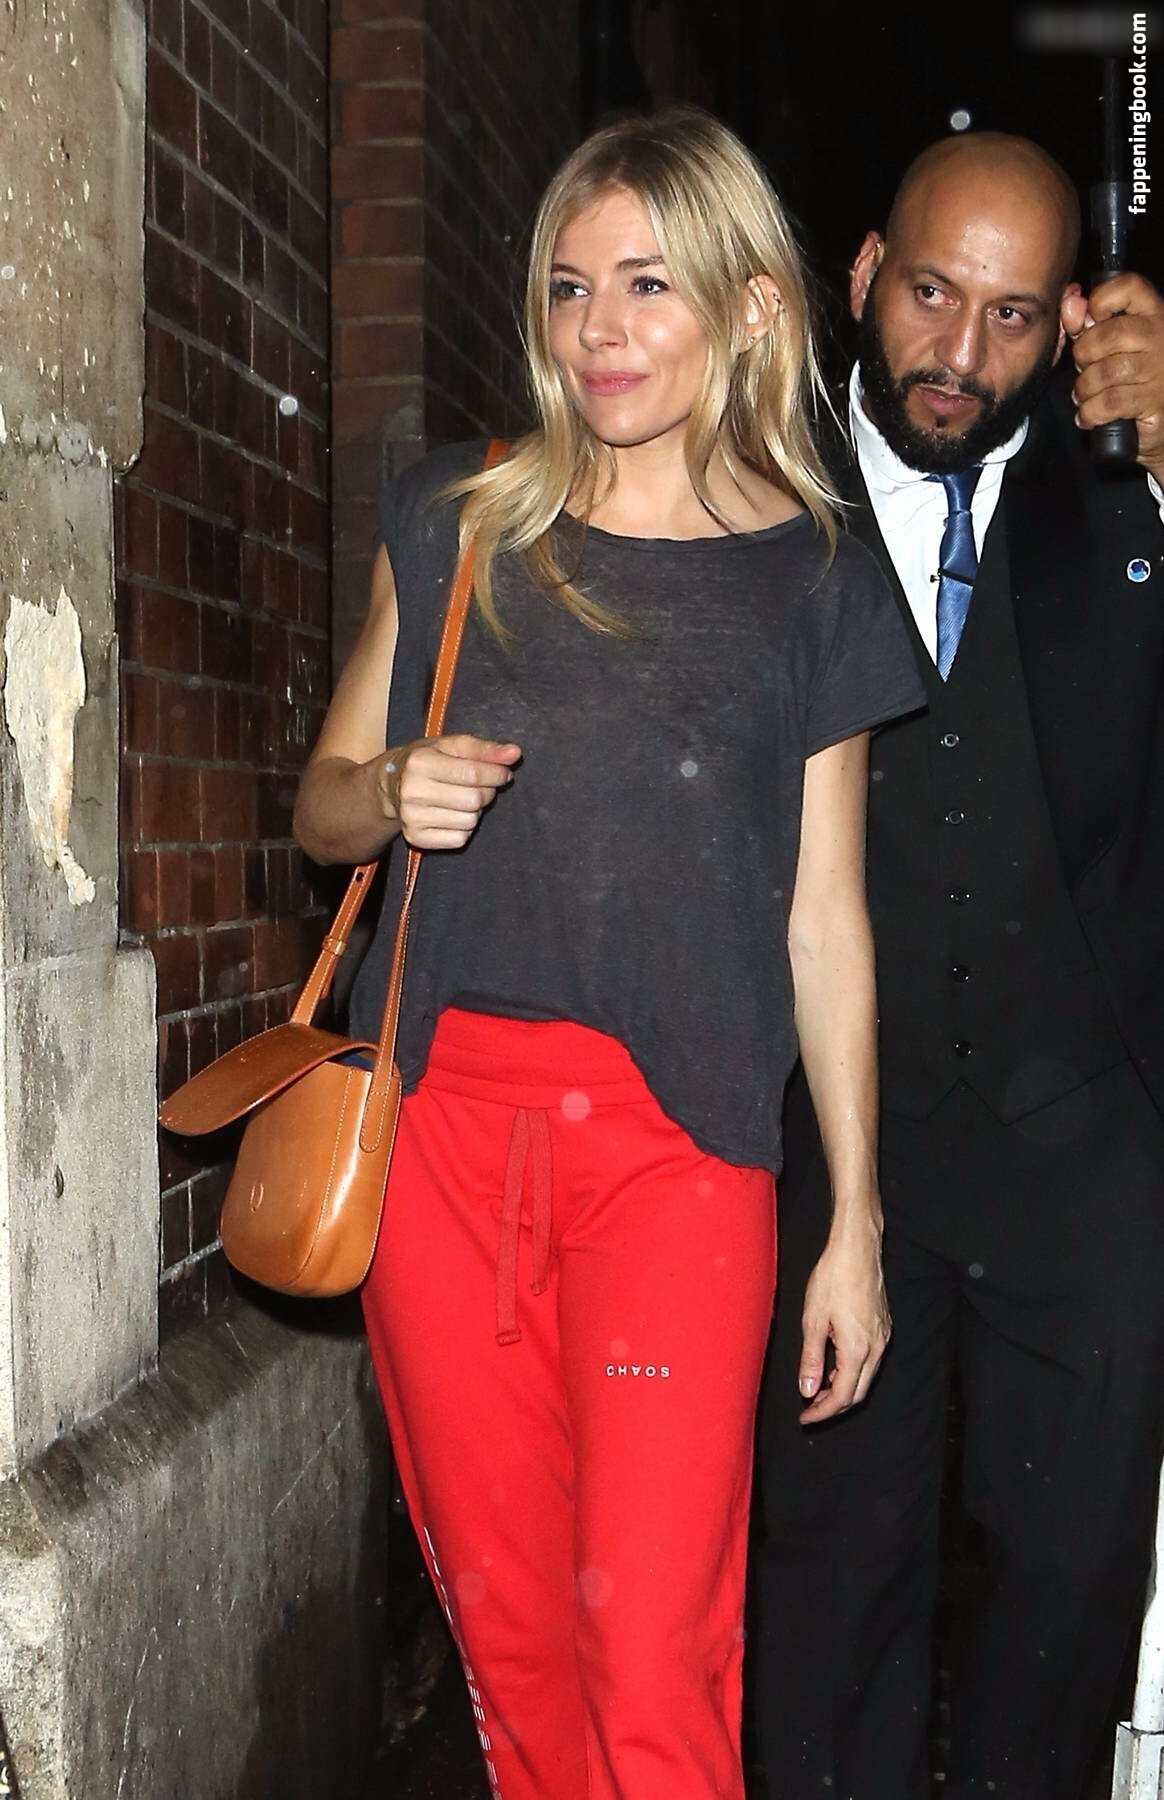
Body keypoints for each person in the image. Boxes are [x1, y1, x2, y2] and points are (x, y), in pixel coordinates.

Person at [294, 107, 923, 1800]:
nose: (601, 329)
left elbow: (826, 918)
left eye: (650, 284)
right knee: (515, 1648)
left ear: (749, 303)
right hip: (439, 1145)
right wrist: (391, 791)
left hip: (678, 1162)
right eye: (571, 289)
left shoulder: (815, 578)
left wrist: (854, 1223)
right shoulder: (458, 520)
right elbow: (322, 812)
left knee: (651, 1655)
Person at [754, 131, 1164, 1800]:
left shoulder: (1129, 481)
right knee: (829, 1590)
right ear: (864, 276)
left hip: (1089, 1143)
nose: (958, 354)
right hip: (828, 1132)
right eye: (930, 294)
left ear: (1065, 326)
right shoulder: (754, 479)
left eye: (1009, 317)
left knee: (1065, 1596)